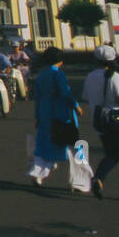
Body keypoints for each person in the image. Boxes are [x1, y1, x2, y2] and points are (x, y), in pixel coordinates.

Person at [29, 46, 83, 186]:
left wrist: (38, 116)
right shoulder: (57, 74)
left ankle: (37, 172)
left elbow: (38, 98)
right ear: (60, 60)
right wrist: (76, 105)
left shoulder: (41, 76)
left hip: (45, 113)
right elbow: (65, 93)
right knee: (66, 145)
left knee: (44, 146)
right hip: (60, 114)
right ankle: (79, 180)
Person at [84, 46, 119, 200]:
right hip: (118, 121)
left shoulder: (90, 76)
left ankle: (98, 178)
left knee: (112, 154)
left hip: (100, 121)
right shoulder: (114, 76)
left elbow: (86, 96)